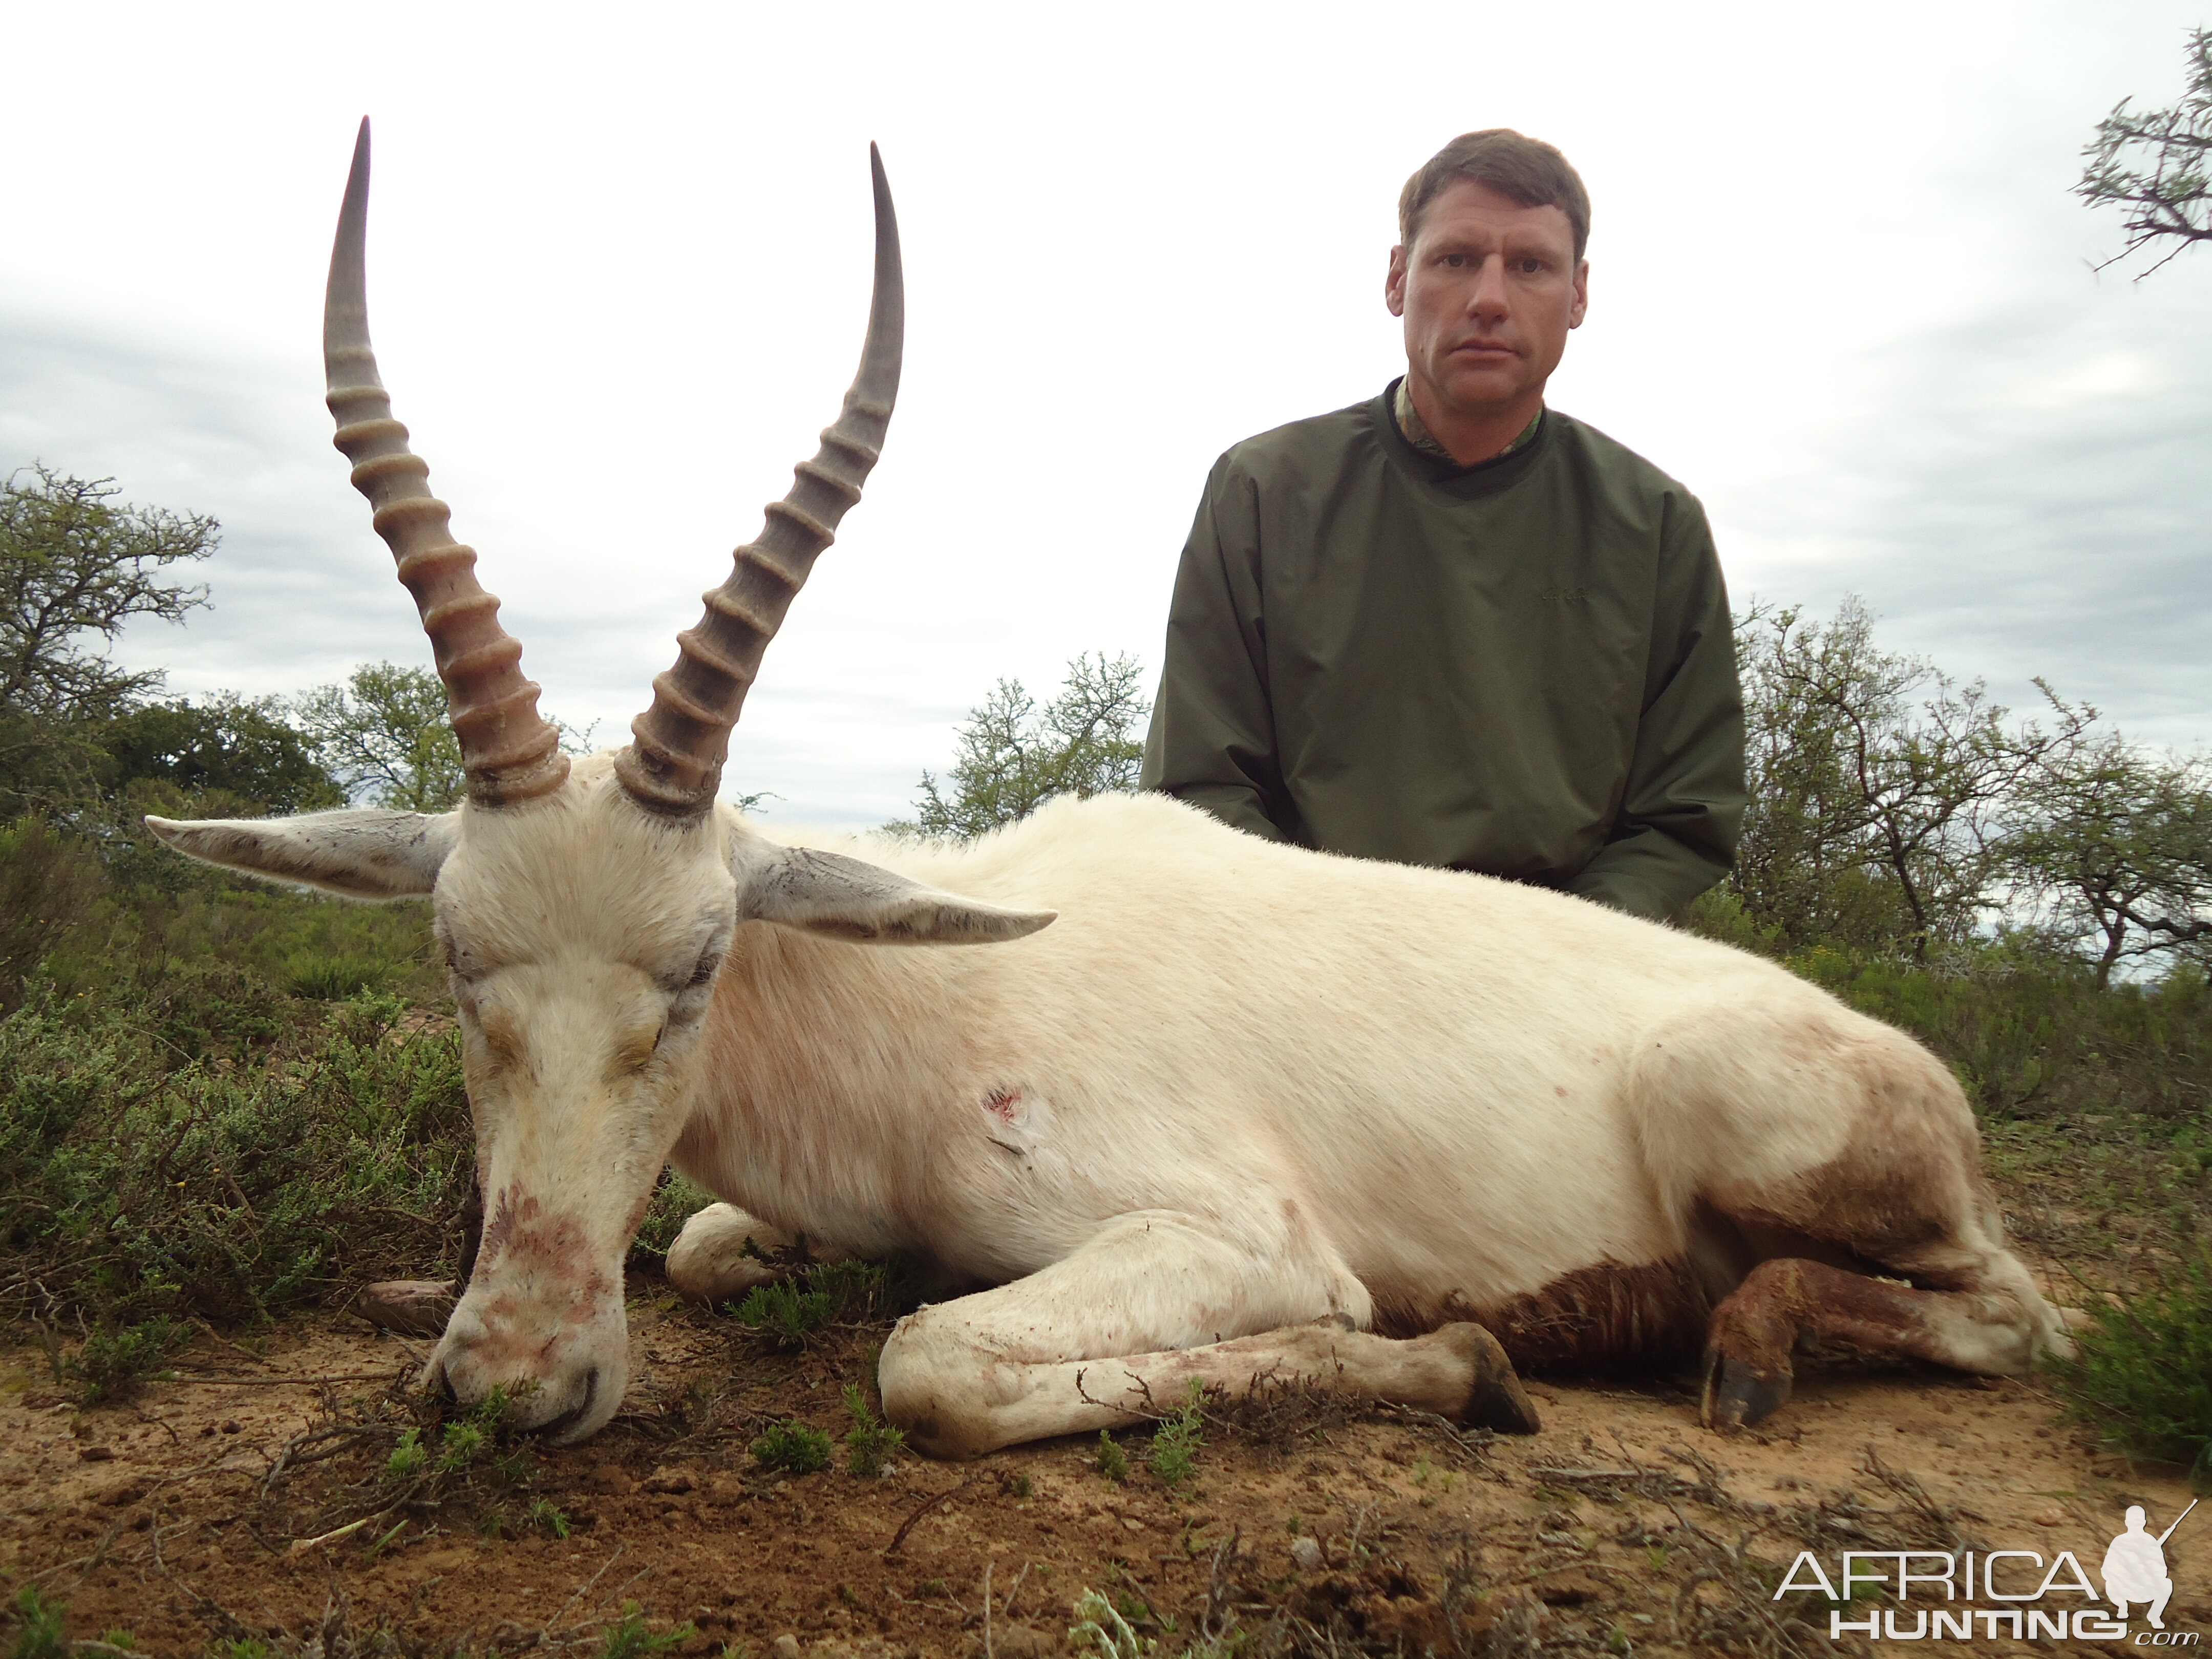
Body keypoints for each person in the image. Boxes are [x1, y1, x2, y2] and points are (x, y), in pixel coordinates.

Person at [1140, 129, 1746, 924]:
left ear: (1578, 295)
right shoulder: (1261, 491)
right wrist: (1324, 947)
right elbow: (1199, 787)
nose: (1489, 298)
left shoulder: (1656, 523)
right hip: (1303, 965)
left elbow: (1682, 817)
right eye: (1456, 259)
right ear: (1398, 278)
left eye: (1530, 265)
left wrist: (1558, 957)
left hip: (1564, 972)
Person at [2102, 1505, 2176, 1628]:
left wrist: (2146, 1571)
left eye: (2138, 1521)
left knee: (2167, 1584)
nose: (2135, 1524)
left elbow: (2162, 1570)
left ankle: (2154, 1616)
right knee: (2111, 1582)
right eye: (2132, 1521)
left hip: (2145, 1588)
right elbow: (2107, 1568)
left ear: (2144, 1522)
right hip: (2123, 1587)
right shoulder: (2119, 1541)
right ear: (2126, 1522)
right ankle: (2122, 1607)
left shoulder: (2151, 1542)